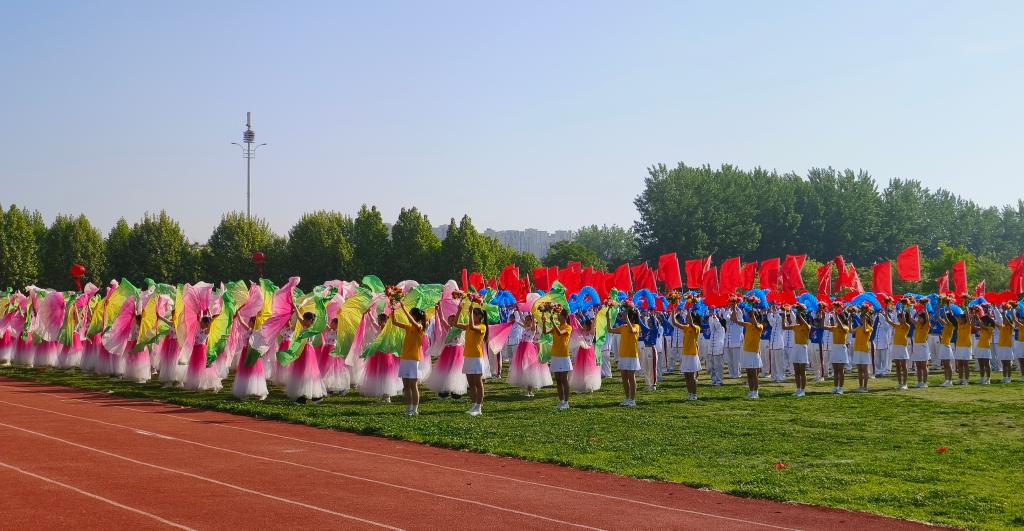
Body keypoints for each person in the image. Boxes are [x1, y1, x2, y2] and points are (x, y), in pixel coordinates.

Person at [452, 304, 488, 416]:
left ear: (479, 316)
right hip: (468, 356)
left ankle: (479, 407)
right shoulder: (468, 326)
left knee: (478, 383)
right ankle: (473, 405)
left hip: (476, 357)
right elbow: (455, 324)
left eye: (473, 314)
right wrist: (459, 310)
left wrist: (471, 311)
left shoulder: (482, 327)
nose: (470, 315)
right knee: (471, 384)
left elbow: (472, 327)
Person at [393, 301, 427, 416]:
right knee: (406, 385)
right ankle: (409, 407)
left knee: (413, 385)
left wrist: (403, 308)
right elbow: (394, 322)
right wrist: (393, 310)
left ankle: (415, 409)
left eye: (411, 314)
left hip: (413, 358)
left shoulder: (420, 327)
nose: (410, 316)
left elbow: (413, 322)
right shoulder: (408, 328)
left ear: (415, 316)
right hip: (405, 358)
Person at [609, 307, 641, 407]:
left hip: (632, 355)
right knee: (624, 378)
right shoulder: (623, 327)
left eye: (626, 315)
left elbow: (632, 330)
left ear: (631, 317)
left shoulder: (636, 326)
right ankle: (627, 398)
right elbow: (610, 330)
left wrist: (627, 318)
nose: (623, 316)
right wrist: (608, 318)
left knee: (631, 377)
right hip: (623, 355)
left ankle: (632, 400)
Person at [730, 303, 763, 399]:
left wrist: (752, 313)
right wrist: (734, 308)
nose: (750, 318)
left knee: (754, 373)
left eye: (752, 317)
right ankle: (751, 391)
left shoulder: (760, 326)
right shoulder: (748, 325)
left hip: (754, 353)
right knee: (749, 373)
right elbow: (735, 320)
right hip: (746, 352)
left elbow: (756, 325)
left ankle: (756, 392)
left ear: (756, 317)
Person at [544, 307, 573, 411]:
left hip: (564, 356)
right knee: (558, 380)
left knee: (564, 379)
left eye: (560, 315)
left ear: (564, 317)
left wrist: (553, 322)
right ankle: (561, 401)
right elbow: (545, 332)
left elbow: (560, 333)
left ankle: (566, 402)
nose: (558, 316)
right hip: (555, 355)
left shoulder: (568, 327)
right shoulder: (557, 326)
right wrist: (544, 321)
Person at [671, 310, 702, 401]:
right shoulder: (686, 328)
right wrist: (673, 311)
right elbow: (674, 323)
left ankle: (694, 395)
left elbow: (691, 323)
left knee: (692, 376)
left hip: (692, 354)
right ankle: (690, 393)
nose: (687, 319)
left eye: (689, 317)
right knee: (686, 376)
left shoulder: (696, 328)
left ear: (693, 319)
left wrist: (688, 310)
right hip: (685, 354)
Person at [782, 307, 811, 396]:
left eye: (798, 318)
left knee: (802, 371)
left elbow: (806, 325)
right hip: (795, 348)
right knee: (796, 370)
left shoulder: (807, 326)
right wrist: (783, 317)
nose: (797, 320)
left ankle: (803, 390)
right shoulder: (796, 326)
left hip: (803, 348)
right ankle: (798, 389)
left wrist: (799, 313)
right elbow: (784, 327)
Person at [568, 316, 601, 393]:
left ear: (588, 326)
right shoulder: (582, 331)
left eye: (585, 325)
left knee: (589, 369)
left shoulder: (591, 333)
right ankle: (582, 386)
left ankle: (590, 385)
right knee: (581, 368)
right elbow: (578, 324)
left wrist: (596, 317)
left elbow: (593, 325)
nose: (583, 326)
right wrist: (573, 316)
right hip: (581, 352)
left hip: (589, 352)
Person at [823, 308, 850, 395]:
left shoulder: (846, 327)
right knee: (835, 370)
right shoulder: (834, 328)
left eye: (838, 319)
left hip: (841, 349)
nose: (836, 320)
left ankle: (841, 388)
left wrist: (836, 315)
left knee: (840, 370)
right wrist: (823, 316)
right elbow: (824, 326)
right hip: (835, 348)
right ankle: (835, 387)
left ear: (842, 319)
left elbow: (841, 327)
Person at [883, 309, 911, 390]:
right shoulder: (896, 325)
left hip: (902, 347)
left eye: (900, 317)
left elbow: (904, 321)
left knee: (904, 366)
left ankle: (905, 384)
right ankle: (899, 383)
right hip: (896, 347)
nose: (899, 319)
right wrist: (886, 310)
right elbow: (887, 320)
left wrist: (902, 308)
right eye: (898, 318)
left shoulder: (907, 326)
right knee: (898, 367)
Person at [851, 306, 874, 392]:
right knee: (859, 370)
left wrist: (864, 321)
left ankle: (865, 387)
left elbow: (865, 330)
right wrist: (849, 321)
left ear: (867, 319)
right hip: (857, 350)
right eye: (861, 318)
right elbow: (851, 331)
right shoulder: (859, 327)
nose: (861, 319)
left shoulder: (869, 328)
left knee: (864, 369)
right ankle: (860, 386)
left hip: (864, 350)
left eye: (863, 318)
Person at [910, 307, 931, 388]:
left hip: (923, 346)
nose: (919, 319)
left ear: (924, 318)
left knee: (924, 365)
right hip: (916, 346)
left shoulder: (927, 325)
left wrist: (925, 310)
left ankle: (925, 383)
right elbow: (910, 318)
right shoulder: (917, 324)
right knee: (918, 365)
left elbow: (928, 319)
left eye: (920, 318)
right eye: (918, 318)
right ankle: (919, 382)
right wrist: (907, 308)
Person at [996, 304, 1016, 384]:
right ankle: (1004, 378)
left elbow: (1009, 322)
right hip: (1001, 347)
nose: (1004, 321)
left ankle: (1009, 378)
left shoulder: (1011, 327)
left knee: (1008, 363)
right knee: (1004, 363)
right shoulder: (1002, 327)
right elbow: (995, 323)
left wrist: (1004, 314)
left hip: (1007, 347)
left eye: (1005, 319)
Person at [951, 311, 973, 385]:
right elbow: (954, 315)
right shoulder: (959, 325)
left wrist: (966, 309)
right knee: (959, 364)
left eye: (960, 318)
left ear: (964, 319)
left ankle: (966, 380)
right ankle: (960, 379)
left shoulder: (968, 325)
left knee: (965, 364)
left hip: (966, 346)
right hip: (959, 346)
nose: (959, 319)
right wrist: (948, 307)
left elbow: (968, 319)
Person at [973, 311, 994, 385]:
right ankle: (982, 379)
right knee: (981, 365)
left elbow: (983, 326)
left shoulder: (990, 328)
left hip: (986, 348)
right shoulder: (982, 328)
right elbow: (974, 327)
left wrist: (978, 318)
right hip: (980, 347)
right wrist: (973, 318)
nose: (982, 322)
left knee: (987, 364)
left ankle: (988, 379)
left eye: (983, 321)